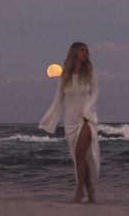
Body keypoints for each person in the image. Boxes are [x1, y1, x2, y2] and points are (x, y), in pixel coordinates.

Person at [39, 42, 100, 203]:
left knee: (80, 153)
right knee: (80, 158)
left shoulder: (90, 73)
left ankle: (79, 190)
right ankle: (90, 193)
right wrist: (49, 120)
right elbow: (58, 101)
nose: (85, 53)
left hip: (87, 120)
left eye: (86, 50)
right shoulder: (64, 76)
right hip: (70, 122)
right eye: (81, 50)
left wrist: (88, 111)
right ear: (74, 53)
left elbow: (95, 94)